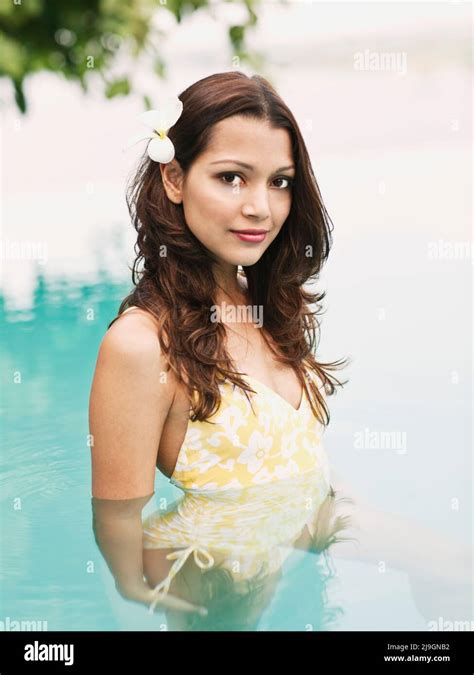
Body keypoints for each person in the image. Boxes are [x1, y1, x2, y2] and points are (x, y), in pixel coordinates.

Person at [88, 70, 354, 627]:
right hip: (215, 578)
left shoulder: (269, 308)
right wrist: (134, 586)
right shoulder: (140, 344)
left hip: (307, 543)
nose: (261, 206)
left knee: (453, 572)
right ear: (175, 179)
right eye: (232, 177)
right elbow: (118, 511)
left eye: (280, 181)